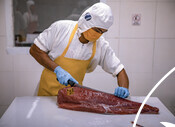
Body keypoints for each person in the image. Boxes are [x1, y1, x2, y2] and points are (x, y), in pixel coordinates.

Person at [30, 2, 130, 98]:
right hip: (46, 95)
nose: (98, 34)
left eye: (103, 32)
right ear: (88, 22)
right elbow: (35, 50)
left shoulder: (101, 45)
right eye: (97, 30)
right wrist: (57, 70)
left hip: (72, 98)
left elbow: (120, 70)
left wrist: (123, 88)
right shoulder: (61, 29)